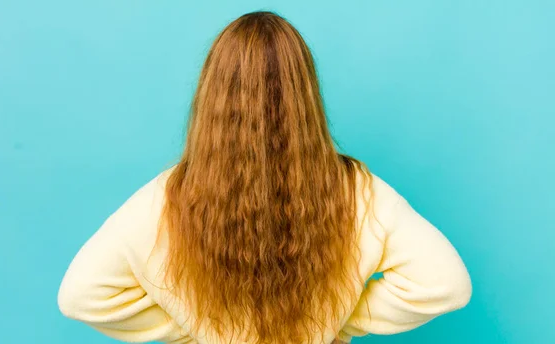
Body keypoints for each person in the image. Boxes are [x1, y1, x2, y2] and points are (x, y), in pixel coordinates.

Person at [57, 11, 472, 344]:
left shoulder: (165, 199)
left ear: (211, 93)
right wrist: (336, 321)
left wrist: (192, 331)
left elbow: (81, 297)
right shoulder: (358, 192)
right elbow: (446, 284)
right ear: (305, 93)